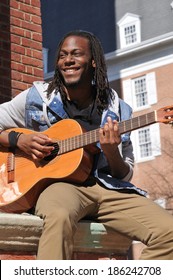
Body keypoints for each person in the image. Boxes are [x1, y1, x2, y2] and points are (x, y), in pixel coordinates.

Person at [0, 30, 173, 260]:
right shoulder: (37, 98)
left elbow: (124, 174)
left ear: (93, 62)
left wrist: (112, 152)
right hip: (60, 187)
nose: (67, 60)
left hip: (107, 188)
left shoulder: (118, 110)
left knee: (168, 231)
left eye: (76, 54)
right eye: (62, 55)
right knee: (59, 215)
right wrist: (20, 139)